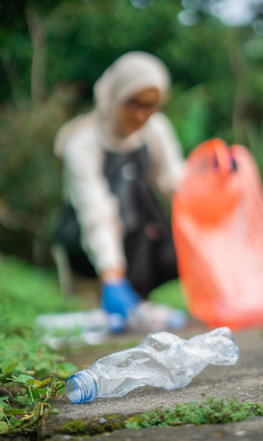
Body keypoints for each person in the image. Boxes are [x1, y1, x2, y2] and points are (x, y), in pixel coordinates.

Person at [53, 51, 185, 330]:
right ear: (115, 97)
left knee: (141, 193)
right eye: (133, 104)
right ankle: (105, 291)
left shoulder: (155, 130)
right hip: (88, 244)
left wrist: (211, 175)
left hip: (138, 237)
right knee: (121, 189)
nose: (141, 115)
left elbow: (175, 182)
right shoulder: (83, 142)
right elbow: (95, 210)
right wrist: (112, 274)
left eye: (150, 106)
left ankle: (139, 298)